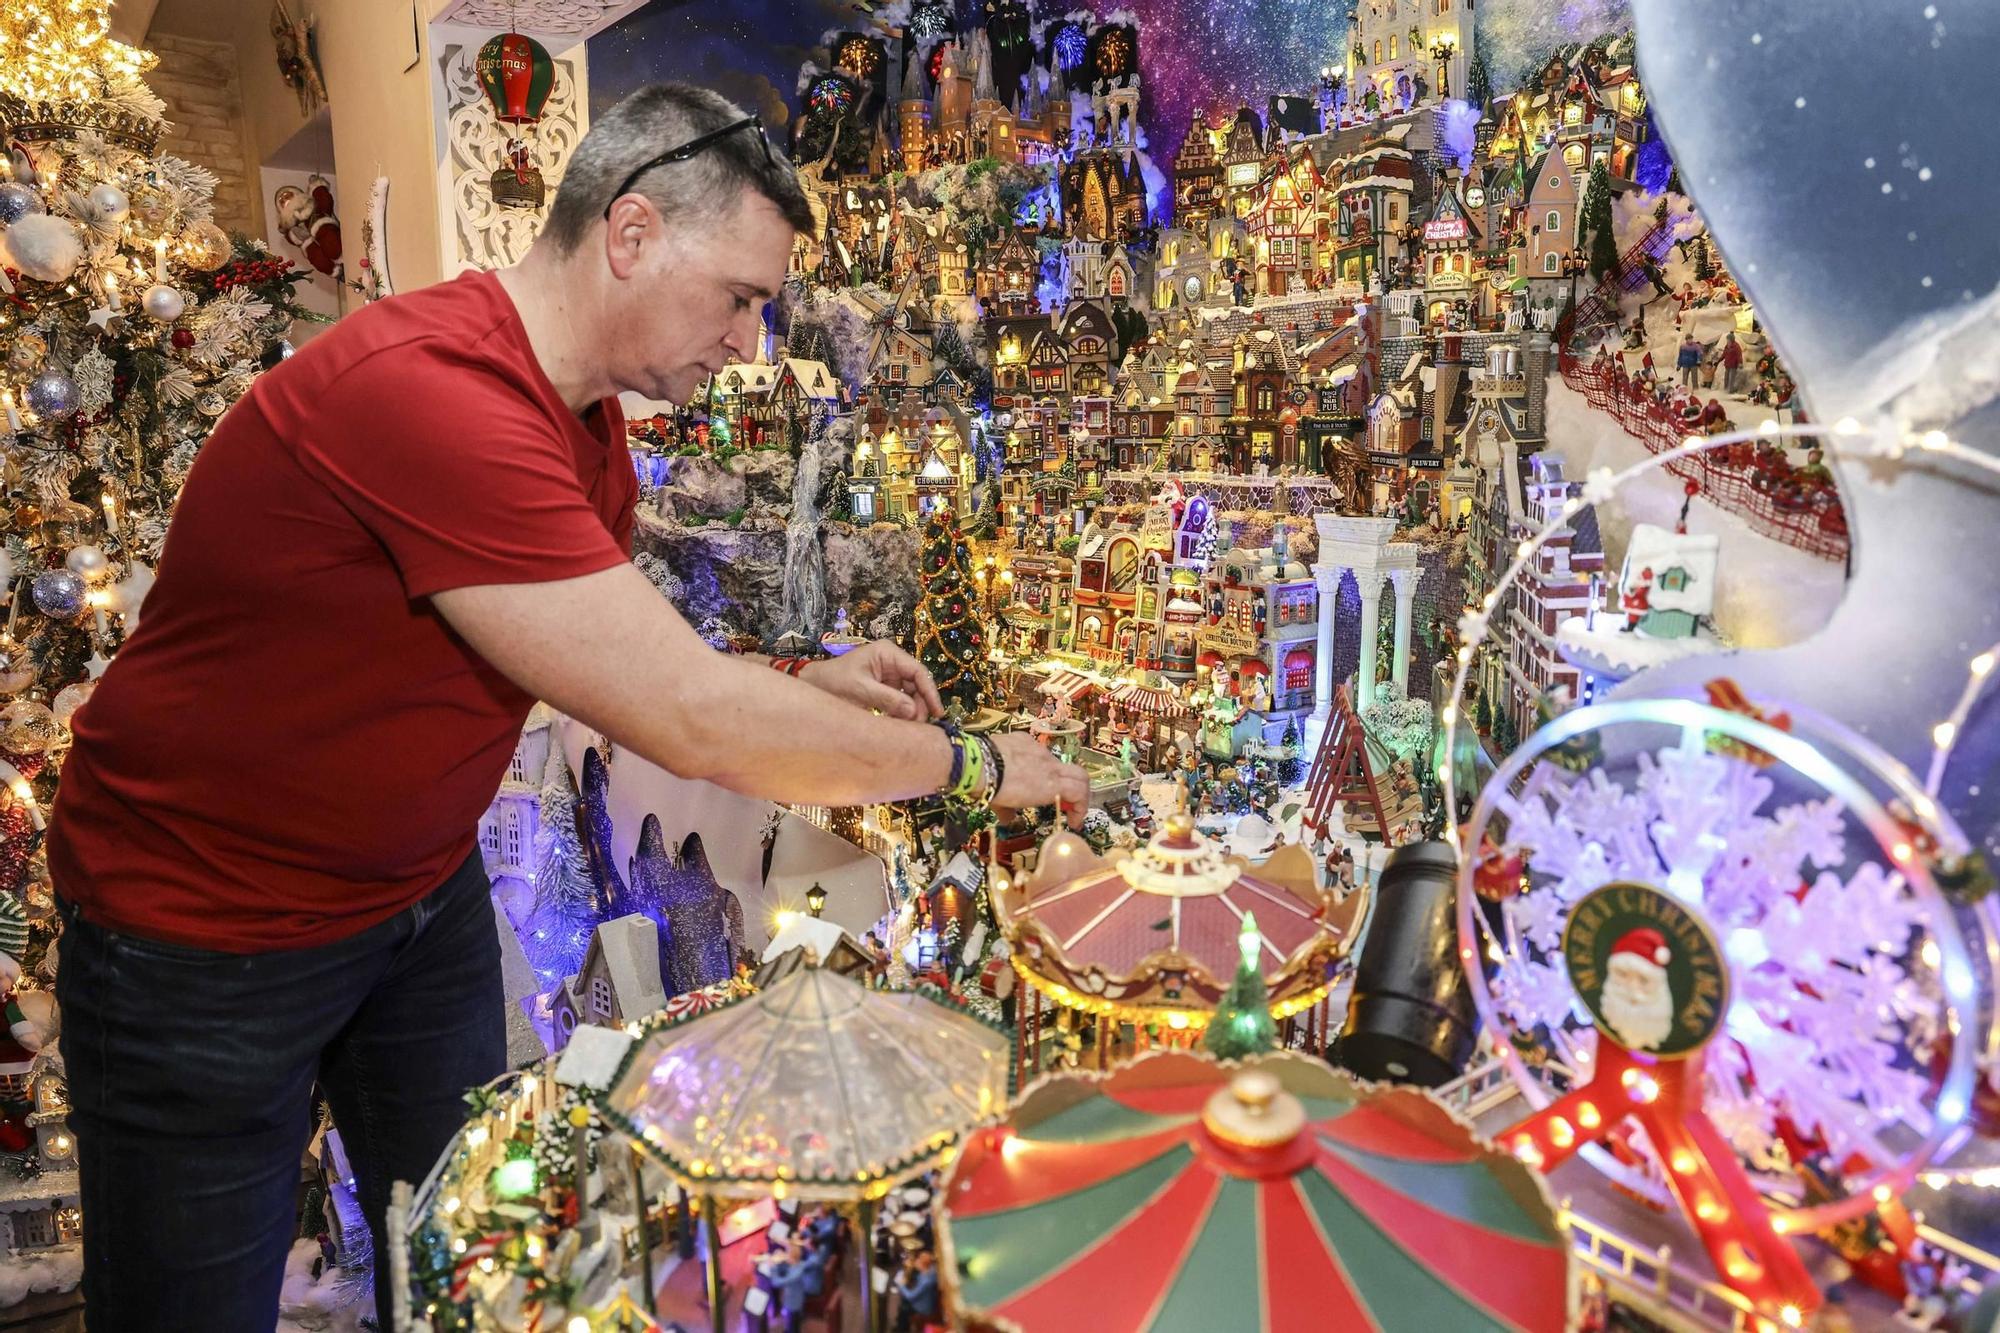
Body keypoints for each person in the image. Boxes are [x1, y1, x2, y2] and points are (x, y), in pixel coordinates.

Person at [49, 84, 1088, 1331]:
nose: (750, 343)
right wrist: (970, 765)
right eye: (742, 297)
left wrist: (799, 689)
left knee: (472, 1240)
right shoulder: (434, 393)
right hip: (205, 929)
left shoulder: (588, 423)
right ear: (632, 232)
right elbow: (692, 718)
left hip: (412, 901)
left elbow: (604, 653)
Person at [894, 1250, 942, 1333]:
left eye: (919, 1260)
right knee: (903, 1303)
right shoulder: (931, 1270)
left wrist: (901, 1285)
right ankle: (901, 1325)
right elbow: (919, 1272)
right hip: (925, 1300)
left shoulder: (926, 1282)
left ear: (923, 1265)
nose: (916, 1261)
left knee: (904, 1307)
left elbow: (910, 1296)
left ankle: (902, 1329)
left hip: (923, 1308)